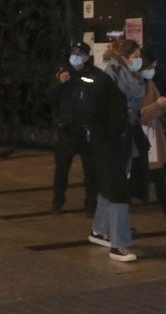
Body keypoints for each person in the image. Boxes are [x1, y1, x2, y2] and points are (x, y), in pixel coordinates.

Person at [49, 41, 120, 217]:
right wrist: (59, 82)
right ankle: (57, 201)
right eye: (73, 53)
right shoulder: (64, 75)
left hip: (89, 131)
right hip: (67, 130)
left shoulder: (98, 77)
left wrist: (105, 128)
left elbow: (110, 102)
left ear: (87, 57)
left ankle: (91, 203)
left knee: (91, 170)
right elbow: (49, 97)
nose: (75, 57)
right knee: (61, 168)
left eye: (80, 54)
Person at [92, 38, 144, 263]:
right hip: (112, 139)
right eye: (135, 56)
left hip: (119, 137)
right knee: (119, 190)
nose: (138, 61)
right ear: (124, 57)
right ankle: (119, 245)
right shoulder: (111, 80)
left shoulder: (125, 77)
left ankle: (99, 230)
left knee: (110, 184)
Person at [133, 50, 166, 234]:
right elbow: (138, 114)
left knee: (160, 179)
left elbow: (154, 107)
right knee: (131, 181)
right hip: (138, 139)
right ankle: (117, 222)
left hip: (152, 137)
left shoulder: (149, 83)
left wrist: (163, 106)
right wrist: (158, 106)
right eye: (150, 67)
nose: (153, 71)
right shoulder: (133, 84)